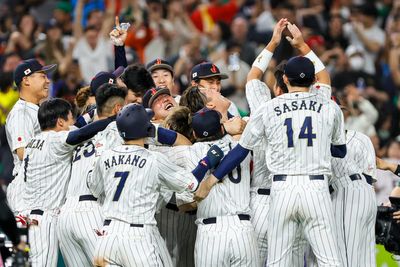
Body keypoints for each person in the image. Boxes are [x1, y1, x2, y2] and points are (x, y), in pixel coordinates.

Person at [196, 54, 347, 266]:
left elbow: (240, 150)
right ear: (313, 81)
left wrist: (211, 181)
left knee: (277, 260)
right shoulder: (329, 107)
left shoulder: (269, 108)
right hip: (316, 188)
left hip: (282, 189)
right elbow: (340, 151)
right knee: (329, 259)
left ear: (285, 79)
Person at [88, 103, 223, 267]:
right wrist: (206, 162)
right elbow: (191, 183)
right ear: (146, 129)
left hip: (107, 238)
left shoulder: (106, 156)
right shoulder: (153, 159)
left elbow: (94, 189)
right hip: (137, 238)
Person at [23, 98, 115, 266]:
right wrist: (113, 119)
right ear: (60, 122)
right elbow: (80, 133)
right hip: (44, 219)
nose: (73, 123)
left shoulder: (32, 141)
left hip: (28, 214)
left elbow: (78, 127)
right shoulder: (55, 140)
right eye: (70, 119)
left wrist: (91, 113)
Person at [57, 84, 127, 267]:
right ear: (118, 109)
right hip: (91, 210)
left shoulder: (76, 134)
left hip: (65, 216)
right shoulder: (116, 132)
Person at [5, 58, 56, 213]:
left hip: (38, 186)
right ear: (26, 80)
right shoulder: (22, 112)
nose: (48, 81)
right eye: (42, 76)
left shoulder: (35, 110)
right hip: (28, 188)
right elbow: (23, 152)